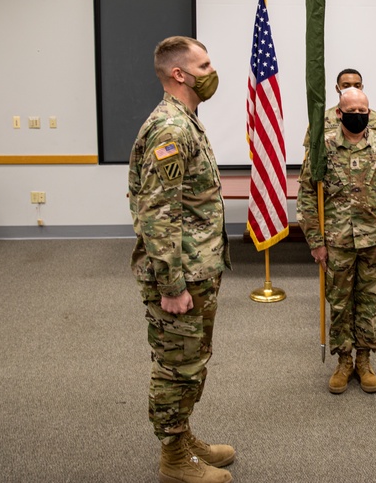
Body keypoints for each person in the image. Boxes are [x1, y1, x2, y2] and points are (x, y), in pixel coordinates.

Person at [128, 36, 235, 483]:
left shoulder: (186, 121)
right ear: (180, 74)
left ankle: (182, 435)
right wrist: (171, 286)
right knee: (178, 363)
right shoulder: (170, 129)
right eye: (205, 64)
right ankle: (173, 458)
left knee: (192, 357)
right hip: (180, 275)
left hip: (196, 267)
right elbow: (157, 214)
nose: (212, 71)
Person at [297, 87, 376, 395]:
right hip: (336, 242)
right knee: (340, 303)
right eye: (352, 111)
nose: (358, 116)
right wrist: (315, 241)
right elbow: (307, 195)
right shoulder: (323, 148)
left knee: (370, 303)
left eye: (363, 111)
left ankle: (364, 359)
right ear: (339, 113)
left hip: (375, 242)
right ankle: (343, 360)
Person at [302, 68, 376, 147]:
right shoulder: (321, 120)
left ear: (361, 87)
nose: (352, 89)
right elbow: (311, 152)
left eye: (357, 86)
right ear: (337, 88)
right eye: (346, 86)